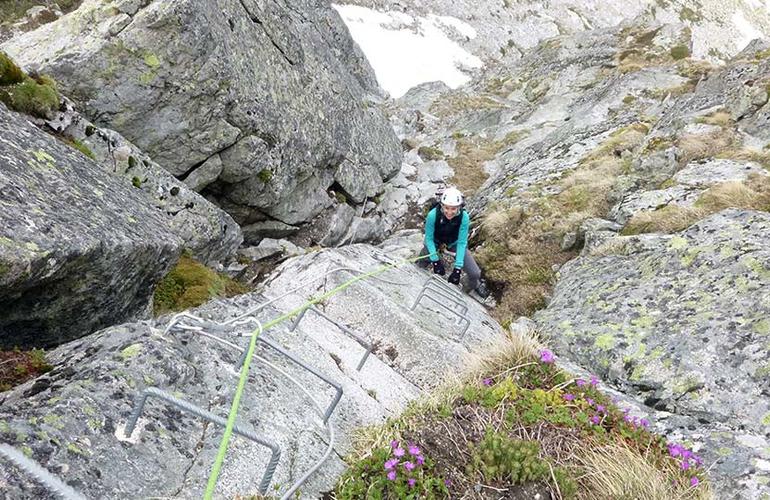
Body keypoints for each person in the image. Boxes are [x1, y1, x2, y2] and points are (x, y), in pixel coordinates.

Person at [419, 187, 489, 298]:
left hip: (454, 243)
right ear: (442, 205)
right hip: (435, 241)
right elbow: (429, 239)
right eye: (447, 208)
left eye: (453, 209)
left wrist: (457, 268)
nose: (449, 212)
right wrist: (435, 261)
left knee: (475, 273)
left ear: (459, 207)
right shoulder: (433, 215)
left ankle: (476, 284)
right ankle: (418, 273)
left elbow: (461, 243)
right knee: (423, 258)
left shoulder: (464, 217)